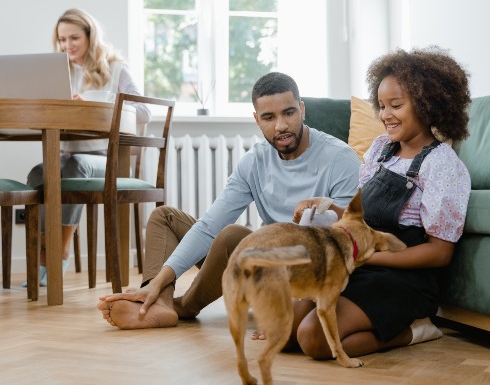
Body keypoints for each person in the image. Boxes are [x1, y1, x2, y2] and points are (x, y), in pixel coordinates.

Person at [97, 71, 361, 329]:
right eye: (269, 117)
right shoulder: (253, 162)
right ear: (257, 120)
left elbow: (347, 241)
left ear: (302, 110)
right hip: (260, 263)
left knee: (233, 235)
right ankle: (155, 298)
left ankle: (184, 307)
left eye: (288, 113)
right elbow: (209, 226)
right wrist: (158, 281)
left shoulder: (340, 158)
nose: (281, 126)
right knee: (164, 217)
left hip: (303, 269)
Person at [286, 46, 471, 359]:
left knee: (315, 339)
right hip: (362, 265)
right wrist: (328, 210)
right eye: (382, 105)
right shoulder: (381, 149)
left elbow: (439, 253)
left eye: (395, 105)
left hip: (404, 280)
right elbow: (362, 220)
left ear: (428, 105)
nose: (385, 114)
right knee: (288, 330)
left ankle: (414, 330)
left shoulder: (442, 165)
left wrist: (367, 257)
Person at [26, 8, 151, 286]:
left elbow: (143, 111)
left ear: (90, 37)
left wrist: (96, 104)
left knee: (75, 167)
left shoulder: (116, 68)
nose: (67, 46)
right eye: (62, 39)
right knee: (38, 173)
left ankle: (57, 255)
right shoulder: (58, 71)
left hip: (105, 158)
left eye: (74, 38)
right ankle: (47, 252)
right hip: (66, 153)